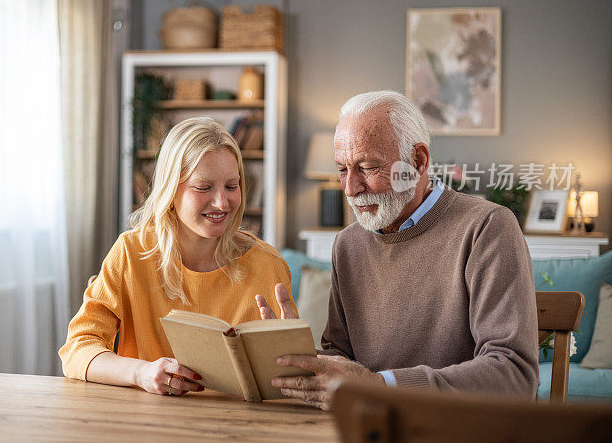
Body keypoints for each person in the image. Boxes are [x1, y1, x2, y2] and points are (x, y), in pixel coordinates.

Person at [257, 90, 538, 410]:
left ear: (418, 161)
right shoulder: (348, 244)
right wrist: (296, 355)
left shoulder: (487, 227)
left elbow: (514, 377)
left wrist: (381, 386)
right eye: (343, 169)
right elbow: (343, 360)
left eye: (367, 166)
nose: (351, 188)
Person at [59, 117, 297, 396]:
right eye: (204, 187)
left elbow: (290, 381)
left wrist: (287, 353)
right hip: (150, 423)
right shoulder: (131, 253)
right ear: (171, 191)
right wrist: (142, 373)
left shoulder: (268, 266)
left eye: (232, 187)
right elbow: (77, 349)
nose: (222, 202)